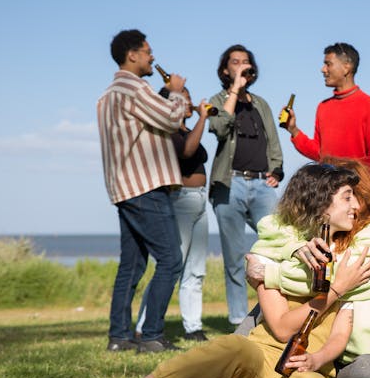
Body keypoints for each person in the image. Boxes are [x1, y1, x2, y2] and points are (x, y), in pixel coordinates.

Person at [66, 163, 370, 378]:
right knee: (230, 347)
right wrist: (335, 291)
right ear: (321, 206)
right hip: (260, 358)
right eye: (347, 197)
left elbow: (339, 332)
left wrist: (319, 359)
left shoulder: (352, 258)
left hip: (307, 368)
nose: (356, 206)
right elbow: (281, 328)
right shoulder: (270, 251)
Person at [243, 157, 370, 378]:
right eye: (347, 197)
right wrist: (291, 248)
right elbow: (273, 226)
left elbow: (324, 279)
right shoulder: (331, 235)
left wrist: (266, 272)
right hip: (335, 362)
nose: (352, 204)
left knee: (369, 370)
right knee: (257, 316)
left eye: (352, 195)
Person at [97, 29, 189, 353]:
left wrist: (164, 94)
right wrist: (176, 92)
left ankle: (118, 337)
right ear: (132, 55)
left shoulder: (108, 95)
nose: (153, 57)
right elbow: (171, 118)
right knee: (171, 260)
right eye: (148, 52)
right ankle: (151, 335)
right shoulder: (135, 87)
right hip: (146, 186)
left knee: (132, 266)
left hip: (123, 188)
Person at [207, 44, 285, 328]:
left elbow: (273, 140)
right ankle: (239, 318)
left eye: (246, 62)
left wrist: (277, 168)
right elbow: (218, 127)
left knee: (277, 243)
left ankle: (275, 310)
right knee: (234, 254)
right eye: (235, 62)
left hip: (262, 183)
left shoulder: (260, 103)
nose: (242, 66)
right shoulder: (217, 99)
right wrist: (234, 91)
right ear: (225, 69)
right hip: (230, 184)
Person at [136, 86, 211, 342]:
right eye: (185, 98)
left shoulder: (186, 130)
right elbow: (188, 152)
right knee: (171, 267)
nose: (189, 102)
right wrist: (203, 117)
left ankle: (193, 326)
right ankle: (143, 326)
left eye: (189, 97)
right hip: (179, 201)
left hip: (200, 200)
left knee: (195, 270)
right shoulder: (166, 132)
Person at [282, 43, 370, 179]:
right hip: (328, 189)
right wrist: (293, 130)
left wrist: (359, 187)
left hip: (357, 191)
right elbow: (320, 154)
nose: (323, 69)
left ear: (346, 67)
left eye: (328, 64)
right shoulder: (323, 107)